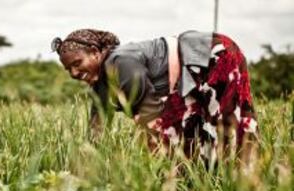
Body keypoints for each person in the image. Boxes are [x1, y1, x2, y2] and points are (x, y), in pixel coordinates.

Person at [51, 28, 258, 160]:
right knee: (189, 143)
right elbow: (96, 133)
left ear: (95, 52)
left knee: (229, 131)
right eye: (68, 69)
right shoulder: (100, 86)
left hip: (210, 53)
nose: (74, 73)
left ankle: (247, 190)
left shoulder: (120, 62)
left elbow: (152, 118)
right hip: (189, 76)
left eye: (77, 63)